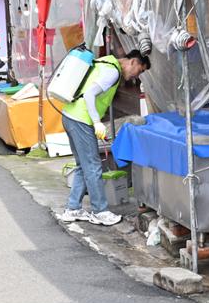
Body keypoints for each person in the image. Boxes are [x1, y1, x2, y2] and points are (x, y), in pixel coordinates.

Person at [60, 49, 150, 226]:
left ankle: (73, 208)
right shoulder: (113, 71)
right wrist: (96, 122)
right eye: (139, 71)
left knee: (82, 165)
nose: (135, 77)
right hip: (81, 119)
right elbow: (89, 94)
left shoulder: (106, 61)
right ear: (133, 62)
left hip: (69, 114)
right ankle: (99, 211)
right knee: (93, 166)